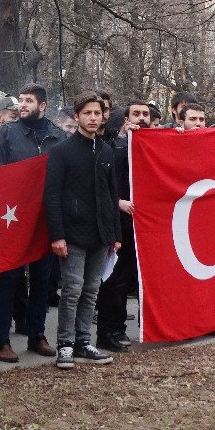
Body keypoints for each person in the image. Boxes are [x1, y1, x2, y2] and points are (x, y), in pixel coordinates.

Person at [43, 92, 121, 369]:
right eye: (87, 113)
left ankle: (83, 340)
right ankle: (65, 345)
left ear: (103, 117)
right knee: (73, 289)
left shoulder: (106, 151)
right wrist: (57, 235)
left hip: (101, 235)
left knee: (91, 289)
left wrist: (115, 236)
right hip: (72, 235)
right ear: (76, 117)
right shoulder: (61, 152)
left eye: (97, 113)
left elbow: (112, 196)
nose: (92, 118)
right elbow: (52, 196)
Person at [0, 84, 65, 362]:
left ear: (42, 106)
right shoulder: (8, 133)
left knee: (43, 280)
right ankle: (1, 340)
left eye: (28, 100)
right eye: (20, 100)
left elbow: (61, 178)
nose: (22, 105)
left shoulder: (57, 136)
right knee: (10, 279)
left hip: (45, 219)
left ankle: (37, 334)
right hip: (13, 218)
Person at [96, 99, 151, 351]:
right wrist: (118, 202)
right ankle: (110, 330)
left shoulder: (155, 144)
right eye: (136, 114)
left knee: (140, 278)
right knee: (116, 278)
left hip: (147, 224)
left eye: (145, 114)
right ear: (125, 119)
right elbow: (103, 183)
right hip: (121, 223)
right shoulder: (114, 146)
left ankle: (146, 325)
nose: (141, 118)